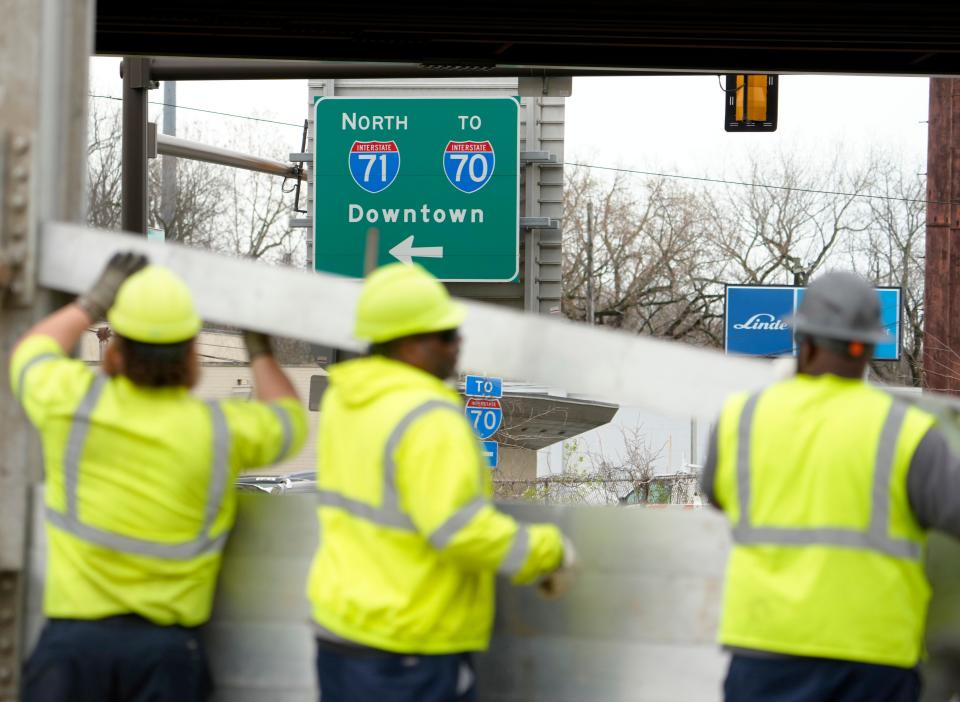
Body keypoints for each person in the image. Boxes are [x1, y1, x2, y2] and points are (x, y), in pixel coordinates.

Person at [11, 252, 308, 702]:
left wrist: (93, 301)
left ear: (116, 349)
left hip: (73, 650)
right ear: (191, 352)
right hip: (165, 655)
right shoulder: (220, 430)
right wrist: (257, 346)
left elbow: (31, 351)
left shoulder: (73, 404)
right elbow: (289, 419)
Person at [307, 262, 576, 702]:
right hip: (408, 648)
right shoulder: (429, 418)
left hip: (339, 633)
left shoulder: (344, 400)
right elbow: (460, 530)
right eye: (447, 336)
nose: (457, 348)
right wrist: (550, 551)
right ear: (409, 343)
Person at [701, 270, 960, 702]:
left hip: (765, 651)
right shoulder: (908, 432)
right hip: (873, 659)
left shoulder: (741, 418)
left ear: (804, 341)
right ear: (866, 347)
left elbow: (717, 493)